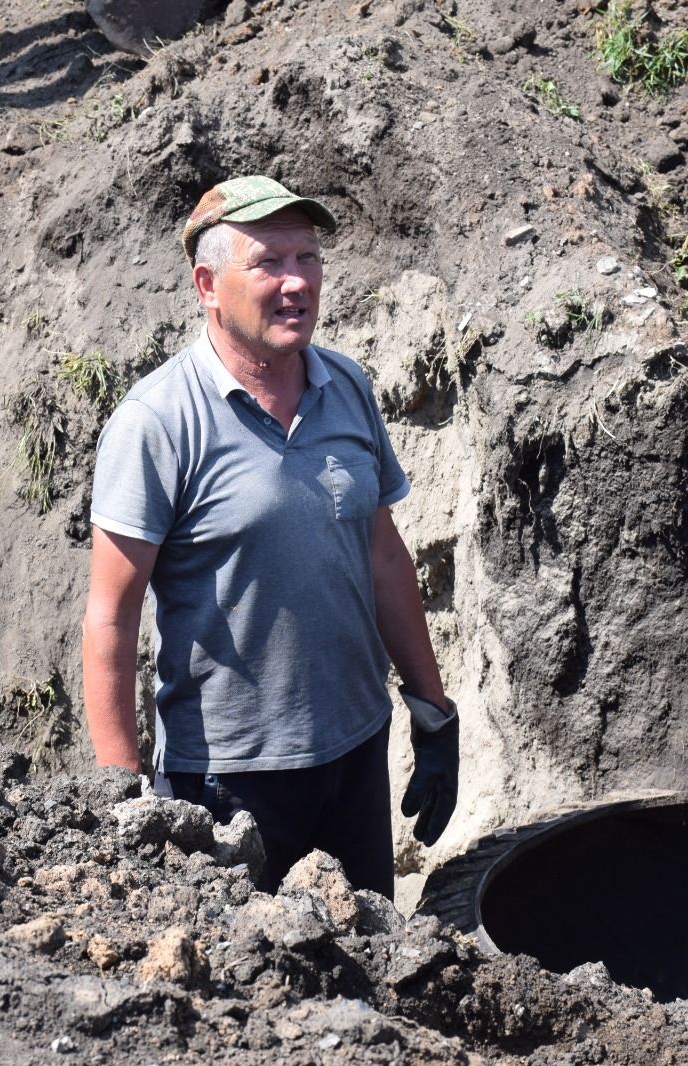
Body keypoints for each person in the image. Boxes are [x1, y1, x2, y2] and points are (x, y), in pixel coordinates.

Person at [81, 175, 458, 897]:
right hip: (228, 783)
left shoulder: (345, 387)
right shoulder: (158, 422)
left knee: (373, 971)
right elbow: (111, 616)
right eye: (268, 263)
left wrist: (432, 709)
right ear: (208, 285)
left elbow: (382, 556)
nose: (296, 283)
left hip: (355, 754)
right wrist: (120, 793)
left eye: (307, 258)